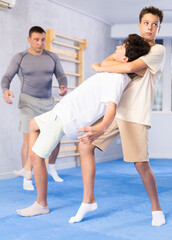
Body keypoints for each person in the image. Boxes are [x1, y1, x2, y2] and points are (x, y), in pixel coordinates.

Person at [15, 34, 151, 217]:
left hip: (67, 117)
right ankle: (27, 170)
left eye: (122, 47)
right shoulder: (115, 71)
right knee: (33, 125)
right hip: (61, 110)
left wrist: (101, 128)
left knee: (36, 155)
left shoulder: (117, 79)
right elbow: (112, 61)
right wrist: (104, 66)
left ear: (125, 59)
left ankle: (41, 203)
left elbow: (111, 108)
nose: (117, 48)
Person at [69, 6, 166, 227]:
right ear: (140, 25)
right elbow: (107, 62)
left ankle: (156, 207)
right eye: (146, 23)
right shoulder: (133, 45)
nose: (150, 27)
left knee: (141, 164)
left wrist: (110, 67)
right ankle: (88, 200)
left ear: (158, 27)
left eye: (154, 24)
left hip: (136, 114)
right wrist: (111, 66)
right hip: (115, 110)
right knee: (85, 144)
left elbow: (127, 65)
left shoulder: (158, 51)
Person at [1, 26, 67, 190]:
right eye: (36, 39)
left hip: (48, 102)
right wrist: (5, 90)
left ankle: (51, 167)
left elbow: (61, 75)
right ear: (29, 39)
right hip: (28, 102)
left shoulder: (52, 57)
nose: (40, 43)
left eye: (43, 39)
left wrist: (63, 86)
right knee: (30, 140)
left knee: (56, 136)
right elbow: (7, 76)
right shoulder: (20, 57)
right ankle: (27, 177)